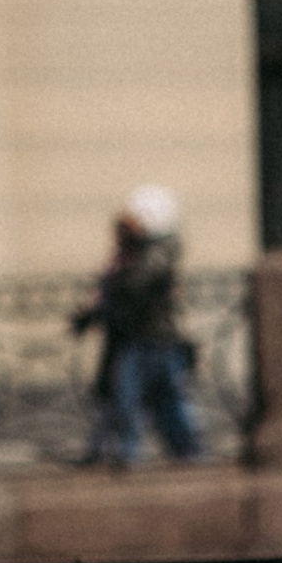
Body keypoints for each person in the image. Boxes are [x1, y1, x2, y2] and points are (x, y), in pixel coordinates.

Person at [76, 185, 203, 467]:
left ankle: (184, 452)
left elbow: (135, 286)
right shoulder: (135, 253)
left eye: (133, 220)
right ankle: (125, 453)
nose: (125, 228)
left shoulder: (155, 254)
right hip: (136, 337)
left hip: (155, 338)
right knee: (130, 397)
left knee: (157, 398)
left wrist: (112, 284)